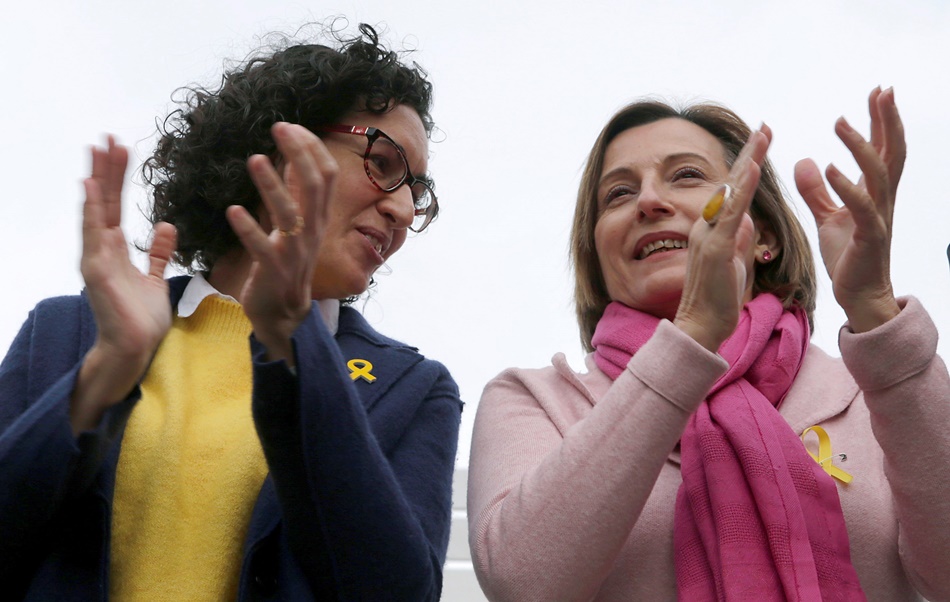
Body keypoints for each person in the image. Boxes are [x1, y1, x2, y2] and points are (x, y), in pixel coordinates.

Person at [0, 23, 462, 601]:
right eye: (385, 164)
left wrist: (295, 345)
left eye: (417, 193)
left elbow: (395, 592)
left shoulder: (415, 389)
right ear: (284, 143)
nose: (400, 208)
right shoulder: (66, 332)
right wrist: (105, 373)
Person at [467, 87, 950, 601]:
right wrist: (694, 334)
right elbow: (523, 583)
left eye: (686, 175)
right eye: (618, 194)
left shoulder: (870, 393)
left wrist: (874, 308)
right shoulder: (533, 400)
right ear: (598, 258)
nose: (650, 201)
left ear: (765, 237)